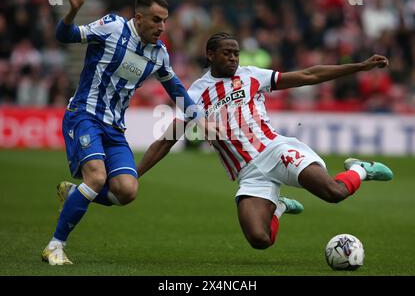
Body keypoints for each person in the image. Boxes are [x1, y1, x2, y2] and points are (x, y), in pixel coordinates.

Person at [136, 32, 393, 251]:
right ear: (210, 54)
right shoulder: (193, 94)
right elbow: (166, 141)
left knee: (334, 193)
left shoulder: (252, 76)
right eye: (227, 53)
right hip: (249, 174)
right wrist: (134, 175)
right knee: (261, 240)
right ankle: (278, 206)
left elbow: (308, 75)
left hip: (275, 151)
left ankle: (360, 169)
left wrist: (359, 66)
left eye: (236, 53)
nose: (233, 58)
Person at [41, 0, 196, 265]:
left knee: (126, 191)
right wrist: (73, 11)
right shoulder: (113, 26)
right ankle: (55, 245)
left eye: (165, 21)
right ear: (139, 18)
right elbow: (64, 35)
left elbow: (176, 90)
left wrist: (202, 117)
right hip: (84, 114)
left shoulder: (159, 53)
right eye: (156, 20)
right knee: (97, 178)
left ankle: (75, 194)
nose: (162, 27)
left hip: (114, 128)